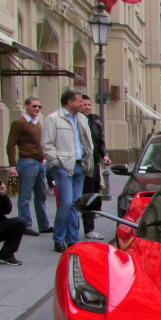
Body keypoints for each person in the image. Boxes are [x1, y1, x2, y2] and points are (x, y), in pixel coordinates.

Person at [42, 89, 94, 253]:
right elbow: (46, 144)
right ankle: (58, 238)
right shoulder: (53, 119)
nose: (82, 104)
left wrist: (88, 157)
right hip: (63, 166)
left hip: (79, 164)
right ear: (69, 102)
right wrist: (56, 162)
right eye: (79, 101)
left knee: (75, 204)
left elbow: (87, 141)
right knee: (65, 202)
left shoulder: (81, 119)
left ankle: (73, 239)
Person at [6, 96, 52, 237]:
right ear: (26, 106)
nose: (37, 109)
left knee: (41, 195)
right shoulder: (19, 123)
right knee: (25, 196)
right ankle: (25, 224)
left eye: (39, 107)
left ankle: (44, 225)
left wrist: (44, 158)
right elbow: (10, 144)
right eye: (34, 106)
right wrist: (12, 166)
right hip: (27, 162)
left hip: (39, 162)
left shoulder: (38, 123)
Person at [79, 95, 112, 239]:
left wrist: (104, 155)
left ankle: (89, 228)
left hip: (93, 165)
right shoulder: (76, 121)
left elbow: (100, 142)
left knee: (91, 197)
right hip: (80, 164)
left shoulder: (94, 121)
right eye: (84, 104)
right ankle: (73, 229)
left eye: (89, 104)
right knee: (79, 198)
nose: (87, 107)